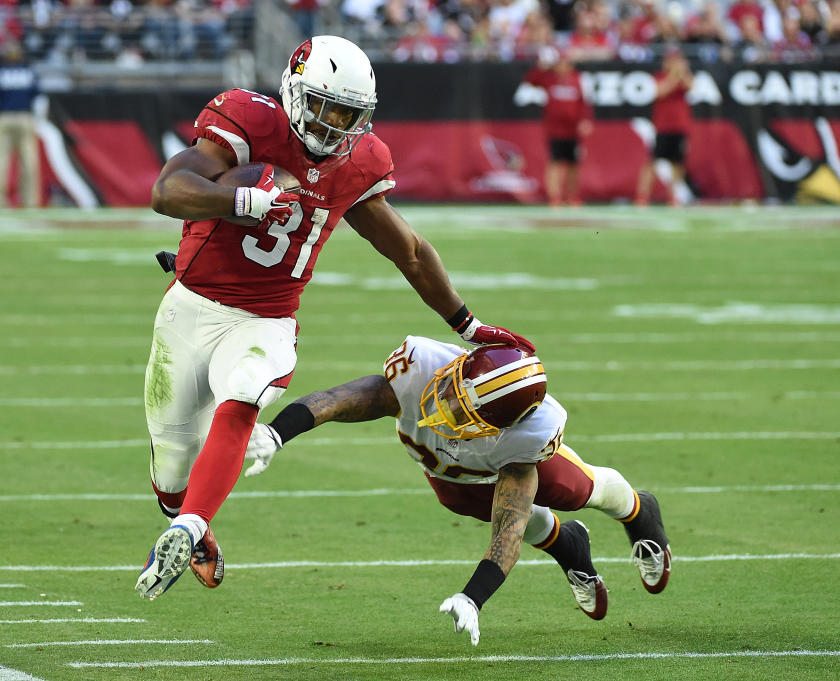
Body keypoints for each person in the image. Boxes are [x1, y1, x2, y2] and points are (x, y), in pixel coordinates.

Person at [134, 35, 531, 601]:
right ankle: (189, 519)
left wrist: (467, 325)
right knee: (172, 464)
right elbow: (166, 190)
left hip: (266, 320)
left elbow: (410, 251)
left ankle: (188, 525)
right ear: (296, 91)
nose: (337, 124)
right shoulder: (248, 121)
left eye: (351, 114)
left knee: (244, 395)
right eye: (327, 106)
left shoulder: (357, 163)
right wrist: (238, 201)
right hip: (189, 307)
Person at [242, 336, 672, 645]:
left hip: (491, 462)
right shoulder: (422, 367)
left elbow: (509, 532)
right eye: (450, 388)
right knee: (460, 499)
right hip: (449, 471)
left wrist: (473, 597)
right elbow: (341, 398)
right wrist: (280, 433)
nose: (441, 403)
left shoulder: (523, 443)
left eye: (459, 407)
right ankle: (570, 546)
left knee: (572, 487)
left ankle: (639, 512)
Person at [523, 46, 593, 206]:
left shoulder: (578, 79)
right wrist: (541, 67)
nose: (563, 66)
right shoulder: (549, 78)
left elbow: (585, 101)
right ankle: (554, 197)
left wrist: (585, 120)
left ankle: (572, 196)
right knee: (554, 162)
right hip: (554, 129)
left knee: (573, 164)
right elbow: (531, 81)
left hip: (572, 130)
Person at [0, 42, 43, 208]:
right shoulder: (29, 73)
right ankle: (30, 201)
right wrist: (38, 121)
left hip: (4, 118)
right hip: (25, 118)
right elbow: (39, 100)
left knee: (0, 162)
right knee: (29, 163)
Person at [635, 48, 694, 206]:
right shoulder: (659, 77)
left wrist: (683, 73)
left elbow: (691, 87)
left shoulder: (684, 77)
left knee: (677, 163)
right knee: (652, 161)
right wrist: (674, 76)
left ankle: (673, 195)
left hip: (680, 126)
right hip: (663, 126)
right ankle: (643, 195)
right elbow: (660, 92)